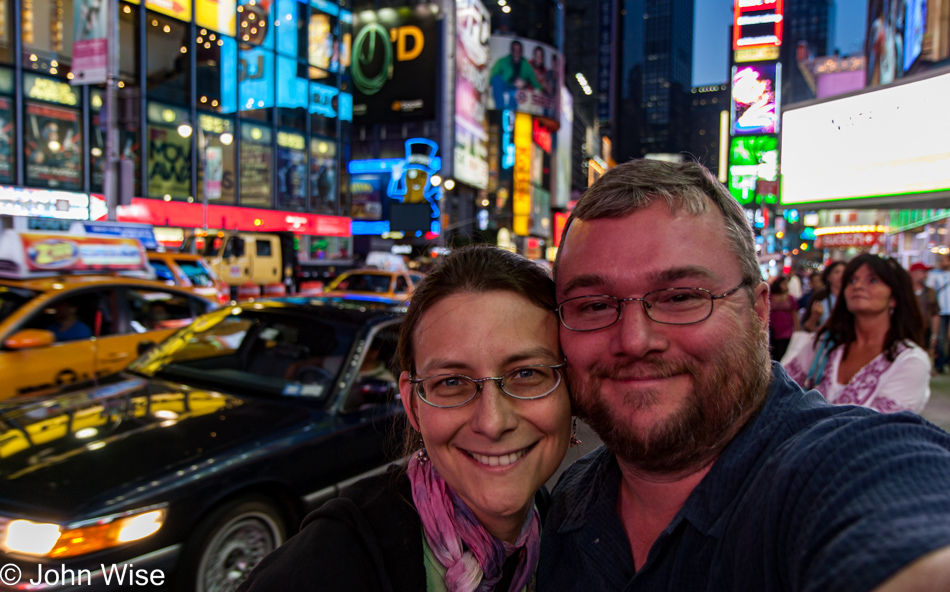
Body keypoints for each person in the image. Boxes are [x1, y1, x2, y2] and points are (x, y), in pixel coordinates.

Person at [539, 159, 950, 591]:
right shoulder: (569, 498)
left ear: (757, 312)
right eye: (594, 305)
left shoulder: (843, 465)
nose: (635, 340)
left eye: (681, 297)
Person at [240, 245, 573, 591]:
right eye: (452, 382)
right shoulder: (330, 563)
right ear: (413, 404)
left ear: (571, 389)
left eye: (526, 374)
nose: (492, 422)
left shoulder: (565, 526)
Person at [784, 254, 931, 413]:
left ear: (893, 297)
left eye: (873, 280)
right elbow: (781, 391)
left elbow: (881, 431)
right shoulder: (825, 344)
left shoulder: (910, 360)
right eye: (852, 281)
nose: (858, 286)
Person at [490, 40, 543, 110]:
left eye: (519, 51)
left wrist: (525, 83)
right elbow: (492, 75)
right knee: (496, 79)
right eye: (514, 50)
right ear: (511, 51)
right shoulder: (503, 61)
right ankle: (499, 109)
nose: (516, 53)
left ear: (521, 52)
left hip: (516, 91)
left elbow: (535, 83)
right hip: (505, 86)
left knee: (517, 94)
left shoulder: (526, 65)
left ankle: (509, 113)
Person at [910, 261, 939, 369]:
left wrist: (934, 335)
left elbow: (935, 314)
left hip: (925, 330)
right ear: (914, 273)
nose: (925, 275)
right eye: (923, 272)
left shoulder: (930, 292)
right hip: (908, 330)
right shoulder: (904, 291)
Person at [801, 260, 845, 332]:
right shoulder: (819, 297)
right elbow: (806, 326)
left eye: (844, 272)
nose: (841, 275)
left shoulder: (852, 296)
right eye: (837, 272)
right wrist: (814, 316)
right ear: (828, 277)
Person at [926, 254, 950, 372]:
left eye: (944, 260)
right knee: (939, 337)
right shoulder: (934, 274)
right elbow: (929, 290)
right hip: (940, 310)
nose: (942, 262)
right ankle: (940, 363)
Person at [768, 275, 800, 361]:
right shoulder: (770, 296)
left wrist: (797, 329)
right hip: (772, 329)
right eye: (784, 284)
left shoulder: (790, 298)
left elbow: (794, 314)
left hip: (786, 329)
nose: (786, 286)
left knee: (782, 351)